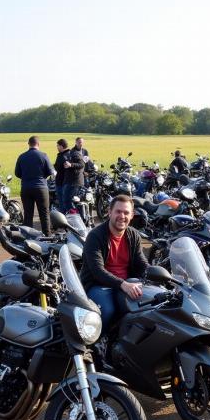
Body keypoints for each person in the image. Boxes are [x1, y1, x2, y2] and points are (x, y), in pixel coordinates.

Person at [80, 194, 149, 330]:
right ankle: (97, 343)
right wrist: (123, 284)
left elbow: (141, 262)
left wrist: (156, 275)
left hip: (127, 282)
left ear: (132, 215)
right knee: (108, 311)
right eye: (118, 211)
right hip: (98, 284)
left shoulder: (133, 235)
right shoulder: (95, 236)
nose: (122, 216)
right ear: (109, 212)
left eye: (126, 212)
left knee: (147, 307)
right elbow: (97, 271)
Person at [14, 135, 55, 235]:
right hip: (41, 187)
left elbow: (17, 173)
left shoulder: (22, 156)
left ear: (28, 144)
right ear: (38, 144)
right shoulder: (43, 155)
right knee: (44, 213)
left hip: (26, 188)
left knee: (28, 214)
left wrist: (26, 178)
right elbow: (50, 171)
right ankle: (47, 235)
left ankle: (28, 236)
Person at [62, 142, 85, 212]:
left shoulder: (74, 153)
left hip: (74, 182)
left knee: (67, 201)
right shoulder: (69, 154)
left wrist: (71, 165)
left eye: (58, 146)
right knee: (69, 200)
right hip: (71, 181)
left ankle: (74, 216)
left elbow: (81, 164)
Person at [53, 139, 70, 211]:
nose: (57, 147)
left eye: (58, 146)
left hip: (61, 182)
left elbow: (58, 168)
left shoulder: (61, 156)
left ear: (61, 146)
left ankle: (63, 219)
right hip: (69, 182)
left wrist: (53, 166)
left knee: (62, 203)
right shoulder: (71, 153)